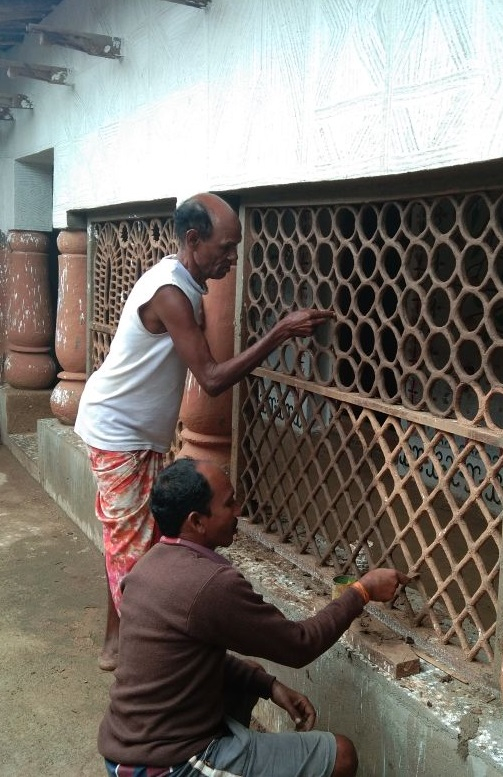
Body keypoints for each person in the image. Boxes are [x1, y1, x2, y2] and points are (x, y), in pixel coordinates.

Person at [74, 192, 334, 670]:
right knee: (133, 553)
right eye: (226, 248)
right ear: (194, 240)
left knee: (130, 541)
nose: (232, 258)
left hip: (134, 434)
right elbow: (212, 379)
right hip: (118, 435)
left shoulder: (183, 284)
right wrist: (278, 333)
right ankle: (145, 670)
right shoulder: (171, 292)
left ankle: (116, 647)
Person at [99, 457, 409, 777]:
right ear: (197, 521)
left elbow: (183, 661)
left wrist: (269, 686)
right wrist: (362, 591)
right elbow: (299, 645)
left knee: (250, 675)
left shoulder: (151, 565)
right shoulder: (210, 585)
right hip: (166, 764)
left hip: (126, 746)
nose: (239, 510)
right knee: (341, 754)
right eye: (229, 503)